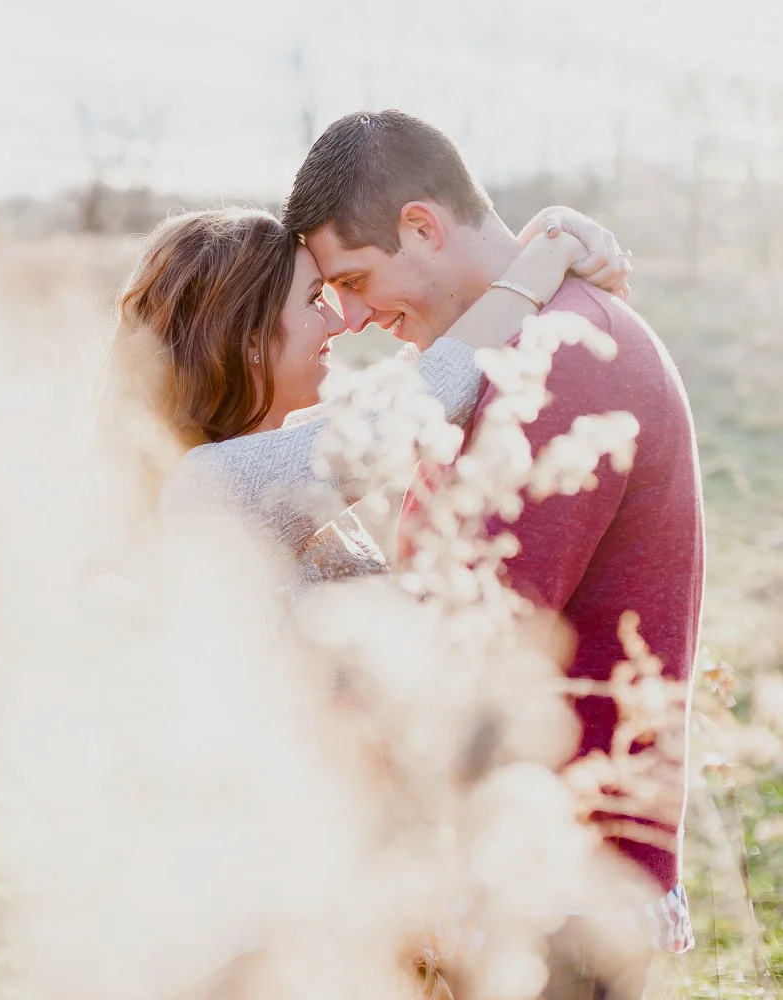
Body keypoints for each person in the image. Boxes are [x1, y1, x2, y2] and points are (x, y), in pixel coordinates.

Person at [284, 109, 703, 999]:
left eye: (355, 280)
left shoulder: (553, 366)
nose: (354, 318)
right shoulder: (522, 345)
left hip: (553, 910)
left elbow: (462, 665)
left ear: (423, 226)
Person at [118, 206, 630, 586]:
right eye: (315, 299)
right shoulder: (211, 484)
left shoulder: (281, 441)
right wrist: (547, 254)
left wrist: (543, 236)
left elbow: (429, 368)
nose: (339, 320)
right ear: (250, 338)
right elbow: (429, 394)